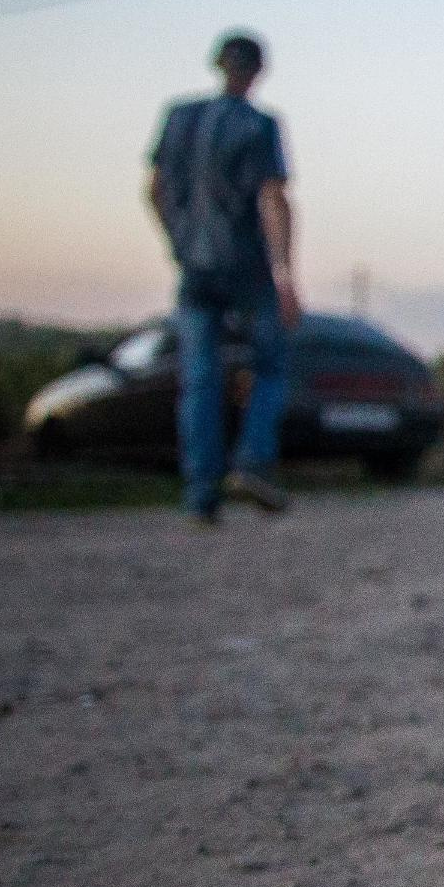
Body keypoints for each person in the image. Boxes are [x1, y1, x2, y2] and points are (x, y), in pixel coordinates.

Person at [147, 30, 299, 522]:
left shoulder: (179, 118)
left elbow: (155, 190)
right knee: (271, 366)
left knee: (199, 379)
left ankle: (201, 494)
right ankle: (253, 460)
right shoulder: (258, 126)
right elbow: (272, 198)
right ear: (257, 71)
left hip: (196, 270)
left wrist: (179, 243)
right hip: (249, 268)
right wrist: (284, 274)